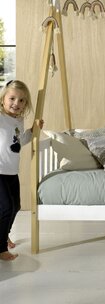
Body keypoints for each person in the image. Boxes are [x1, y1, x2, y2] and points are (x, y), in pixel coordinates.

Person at [0, 80, 43, 261]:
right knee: (6, 207)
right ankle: (1, 249)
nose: (16, 103)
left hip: (11, 171)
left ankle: (3, 235)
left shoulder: (18, 120)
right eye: (12, 98)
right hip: (0, 170)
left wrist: (32, 131)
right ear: (3, 99)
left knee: (16, 206)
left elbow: (19, 141)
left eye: (21, 100)